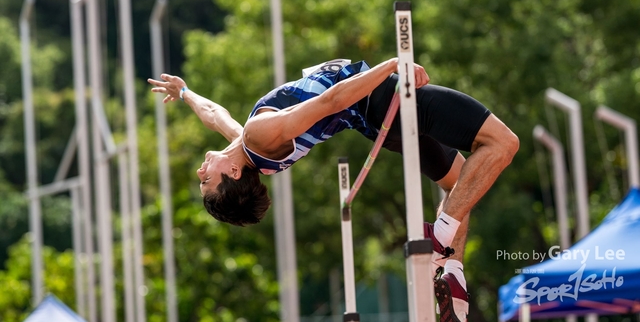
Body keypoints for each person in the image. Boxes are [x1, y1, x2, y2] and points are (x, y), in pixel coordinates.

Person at [148, 58, 519, 322]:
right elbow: (330, 101)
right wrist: (391, 66)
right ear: (231, 171)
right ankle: (441, 241)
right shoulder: (258, 136)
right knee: (502, 144)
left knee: (462, 186)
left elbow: (215, 113)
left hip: (376, 123)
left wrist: (185, 93)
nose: (200, 170)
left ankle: (450, 268)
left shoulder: (250, 150)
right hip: (382, 101)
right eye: (205, 179)